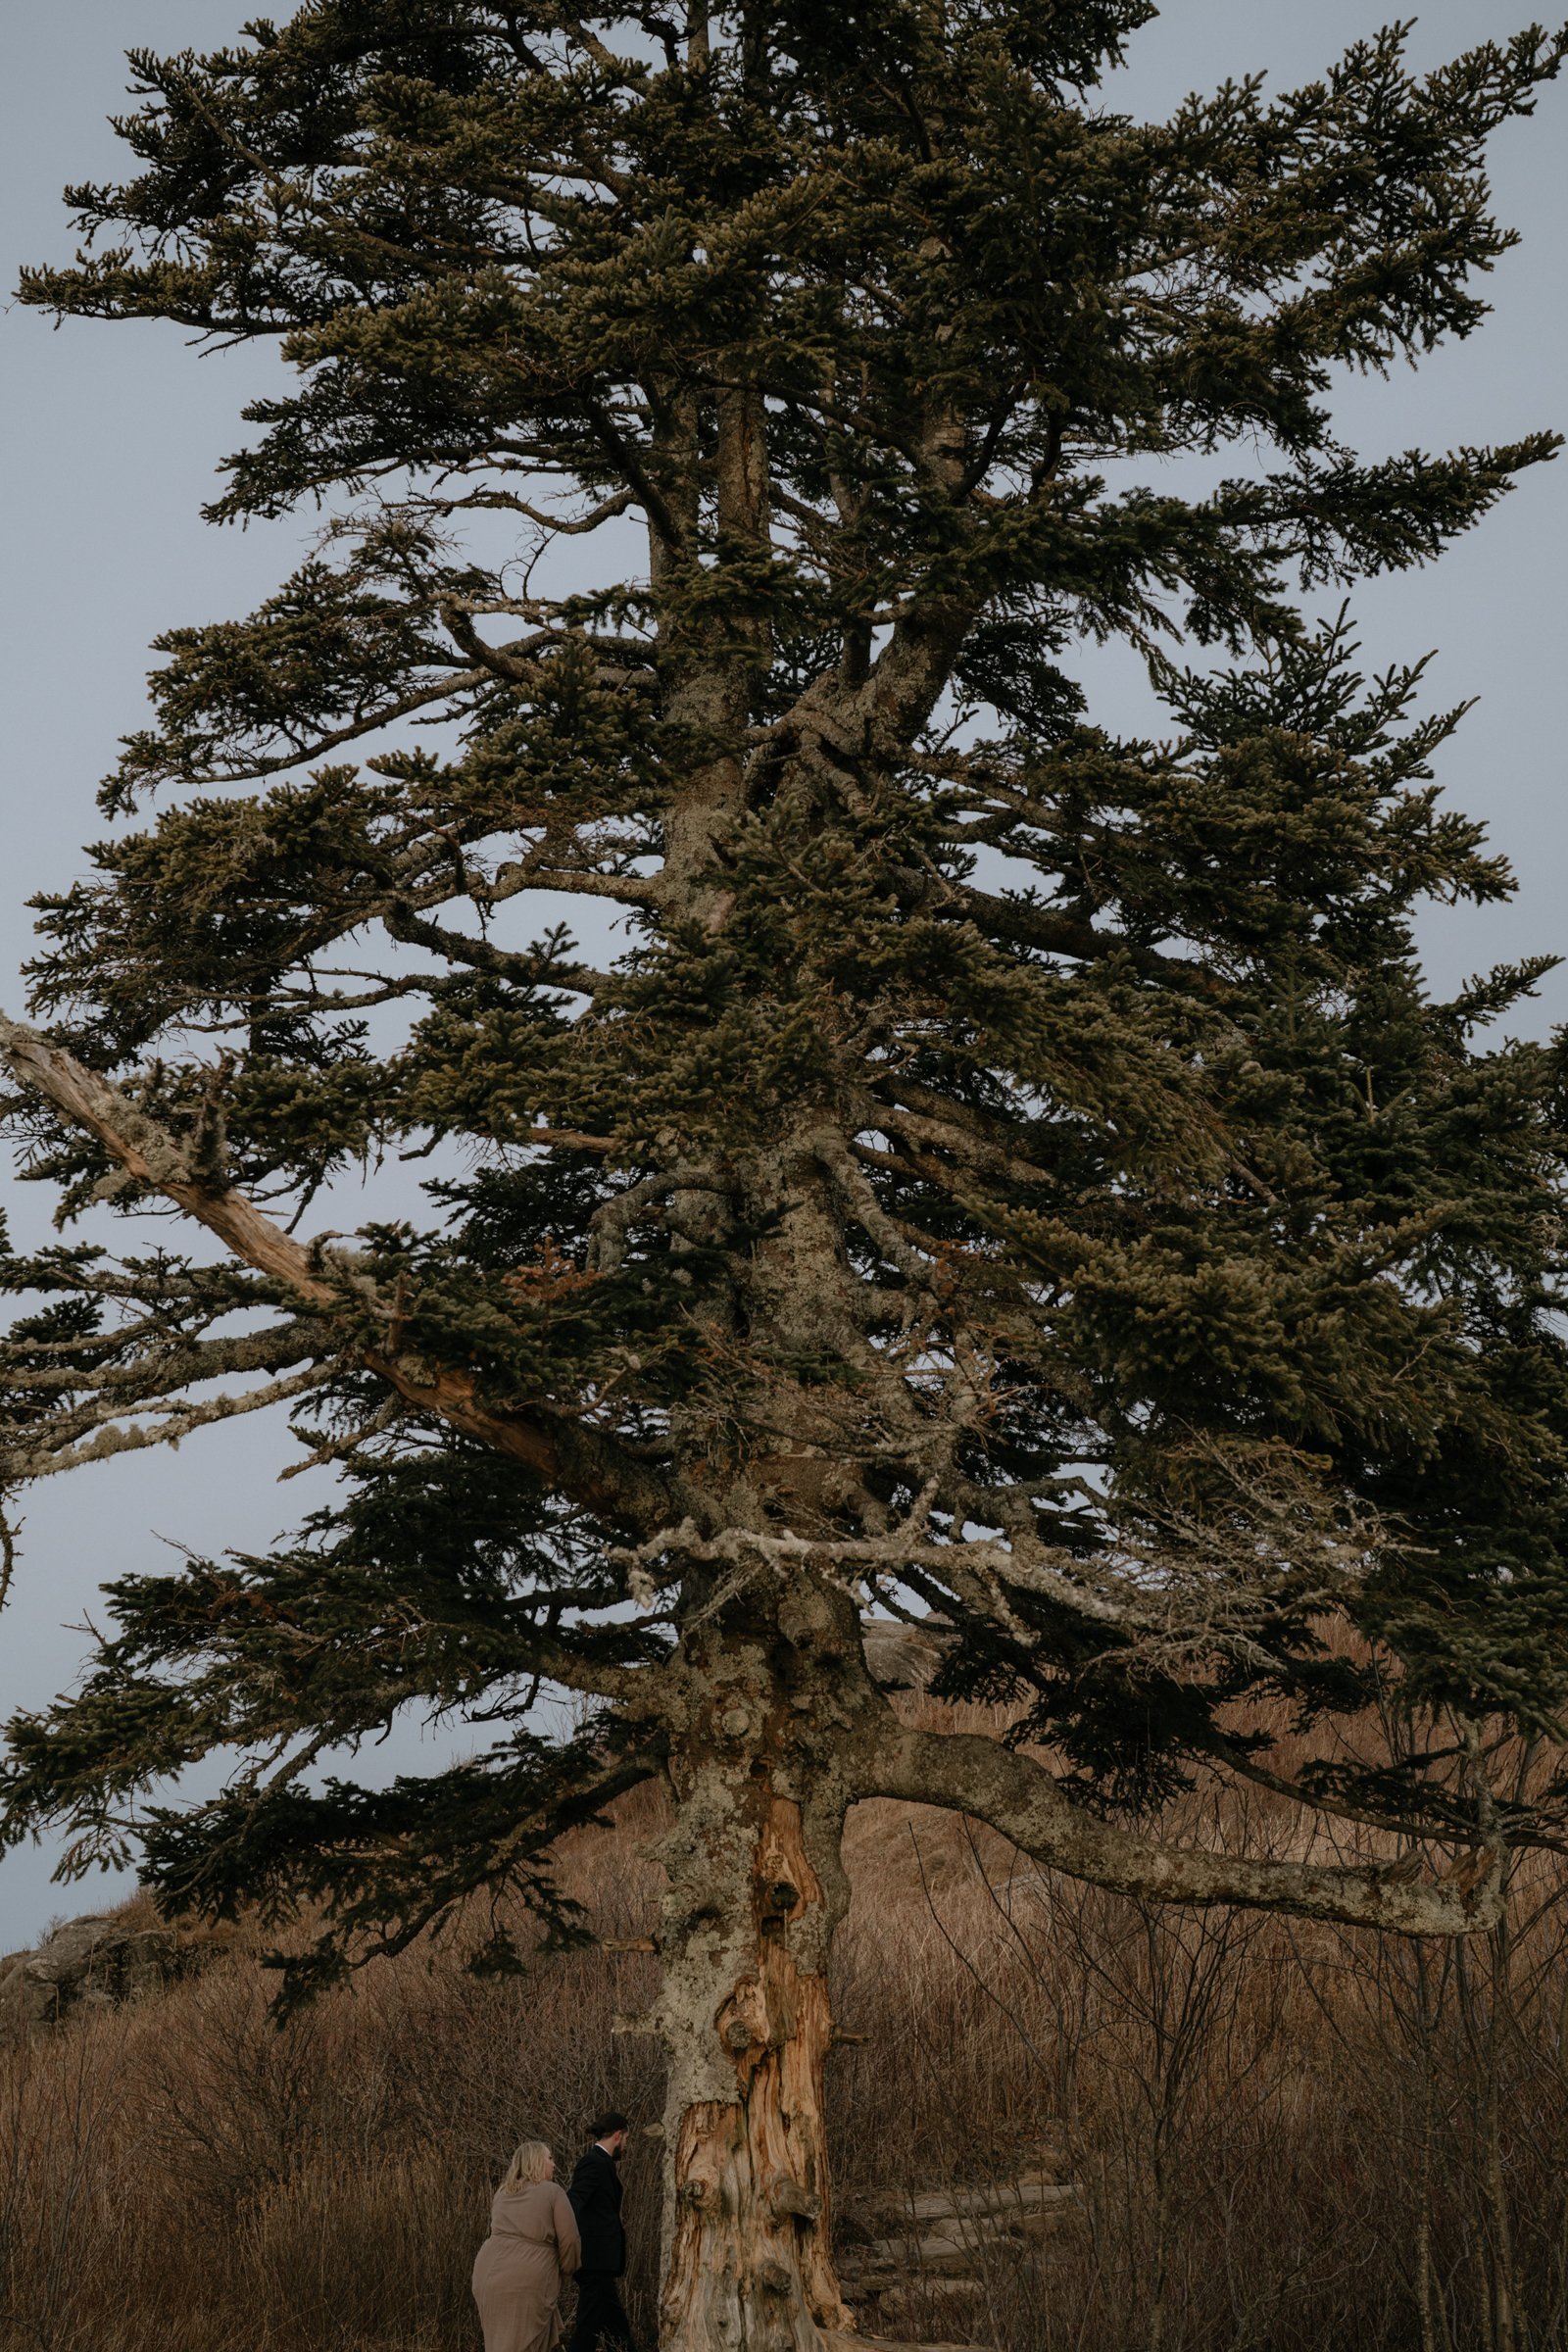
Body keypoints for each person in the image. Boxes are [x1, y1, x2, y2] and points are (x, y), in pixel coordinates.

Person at [472, 2137, 582, 2352]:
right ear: (536, 2162)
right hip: (527, 2279)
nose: (554, 2163)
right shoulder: (553, 2192)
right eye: (549, 2158)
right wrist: (567, 2269)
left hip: (486, 2276)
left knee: (501, 2342)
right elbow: (570, 2240)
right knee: (524, 2344)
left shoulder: (502, 2192)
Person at [566, 2111, 637, 2352]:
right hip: (594, 2263)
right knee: (588, 2330)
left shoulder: (602, 2163)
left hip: (601, 2264)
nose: (626, 2145)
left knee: (615, 2328)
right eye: (626, 2139)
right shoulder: (593, 2162)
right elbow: (573, 2202)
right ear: (618, 2135)